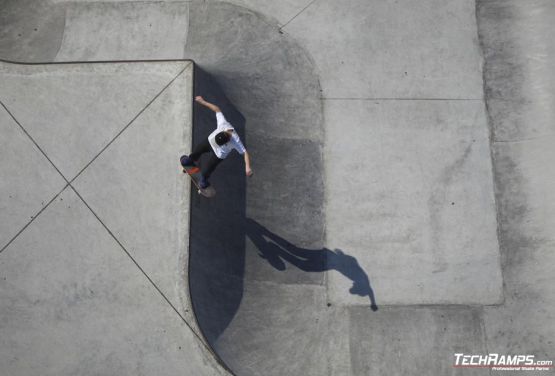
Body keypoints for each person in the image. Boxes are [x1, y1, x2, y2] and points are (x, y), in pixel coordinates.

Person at [180, 96, 253, 188]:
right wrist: (203, 102)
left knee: (209, 168)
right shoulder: (223, 124)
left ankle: (203, 179)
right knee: (198, 150)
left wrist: (248, 167)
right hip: (210, 141)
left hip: (219, 154)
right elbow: (217, 109)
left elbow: (245, 153)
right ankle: (191, 160)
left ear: (229, 140)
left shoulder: (235, 140)